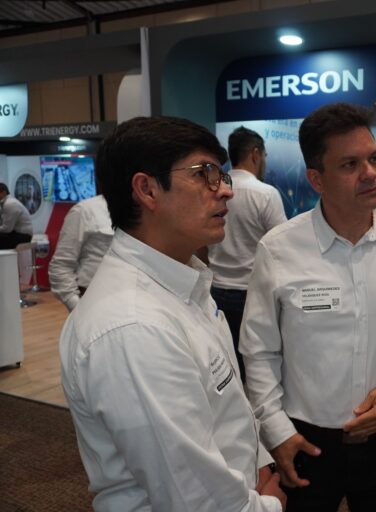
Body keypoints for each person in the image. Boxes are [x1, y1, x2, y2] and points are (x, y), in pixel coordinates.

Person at [59, 116, 285, 512]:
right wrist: (270, 504)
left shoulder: (184, 285)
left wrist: (258, 462)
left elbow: (222, 412)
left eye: (221, 174)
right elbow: (197, 502)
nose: (226, 191)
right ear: (147, 189)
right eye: (204, 174)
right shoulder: (134, 327)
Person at [240, 103, 376, 512]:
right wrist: (276, 431)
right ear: (316, 179)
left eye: (374, 159)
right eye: (350, 164)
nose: (371, 173)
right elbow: (259, 351)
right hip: (307, 444)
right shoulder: (279, 250)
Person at [206, 126, 287, 382]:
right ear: (255, 154)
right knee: (258, 365)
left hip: (214, 292)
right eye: (264, 156)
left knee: (225, 365)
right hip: (253, 293)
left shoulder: (212, 191)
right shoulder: (265, 194)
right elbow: (283, 247)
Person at [48, 194, 114, 312]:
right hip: (93, 300)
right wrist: (76, 308)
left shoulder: (144, 211)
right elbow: (61, 265)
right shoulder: (85, 210)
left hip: (135, 300)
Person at [0, 182, 33, 249]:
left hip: (23, 236)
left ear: (3, 192)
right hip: (19, 234)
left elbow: (7, 229)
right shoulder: (7, 202)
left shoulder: (9, 204)